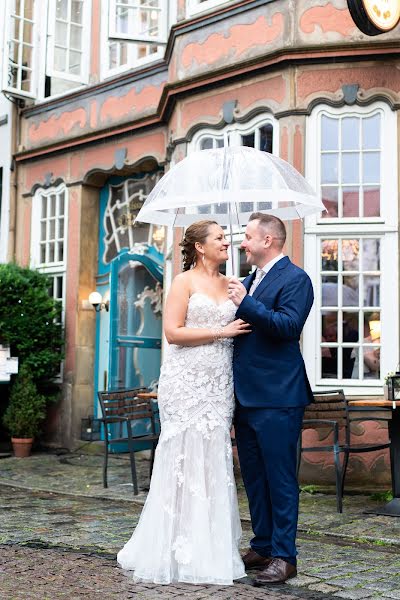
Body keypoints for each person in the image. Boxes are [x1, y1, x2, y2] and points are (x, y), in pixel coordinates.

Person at [117, 220, 251, 585]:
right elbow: (173, 332)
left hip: (219, 382)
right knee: (182, 456)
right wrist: (221, 331)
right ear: (200, 247)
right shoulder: (183, 282)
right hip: (186, 380)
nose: (228, 242)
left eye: (227, 237)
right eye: (220, 238)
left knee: (212, 456)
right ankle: (171, 547)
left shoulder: (234, 284)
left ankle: (210, 546)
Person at [228, 213, 314, 586]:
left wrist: (246, 303)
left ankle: (284, 555)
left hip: (278, 396)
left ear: (268, 241)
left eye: (247, 237)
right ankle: (262, 544)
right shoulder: (248, 280)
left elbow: (287, 326)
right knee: (254, 477)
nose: (241, 243)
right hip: (245, 398)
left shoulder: (297, 279)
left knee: (279, 479)